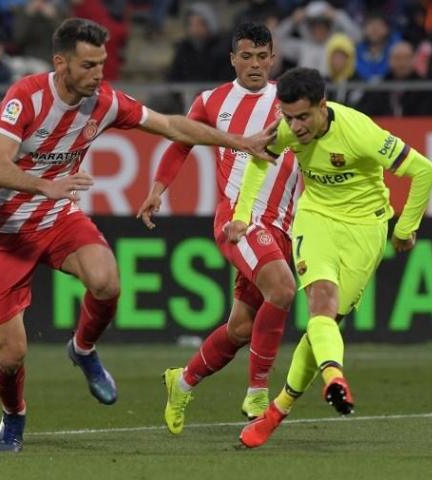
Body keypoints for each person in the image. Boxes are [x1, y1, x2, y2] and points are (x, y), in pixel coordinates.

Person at [0, 17, 276, 453]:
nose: (99, 73)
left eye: (103, 63)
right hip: (2, 233)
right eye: (89, 65)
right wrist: (44, 184)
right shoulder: (27, 96)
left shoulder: (105, 101)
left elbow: (172, 126)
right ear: (61, 63)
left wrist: (238, 141)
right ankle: (14, 415)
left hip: (56, 217)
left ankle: (83, 348)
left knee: (107, 281)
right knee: (11, 353)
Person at [224, 67, 432, 448]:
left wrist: (404, 229)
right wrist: (242, 215)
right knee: (321, 305)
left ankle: (277, 411)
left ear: (323, 105)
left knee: (323, 326)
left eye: (303, 116)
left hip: (365, 230)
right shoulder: (287, 127)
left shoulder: (361, 132)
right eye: (289, 116)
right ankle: (334, 378)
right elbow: (260, 158)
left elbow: (424, 170)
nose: (295, 126)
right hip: (316, 219)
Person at [136, 23, 300, 435]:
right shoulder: (212, 101)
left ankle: (183, 381)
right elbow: (180, 142)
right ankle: (258, 390)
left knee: (242, 327)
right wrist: (158, 189)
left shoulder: (292, 100)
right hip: (238, 222)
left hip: (282, 222)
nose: (256, 65)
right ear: (233, 59)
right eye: (247, 57)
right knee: (282, 288)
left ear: (273, 58)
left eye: (263, 57)